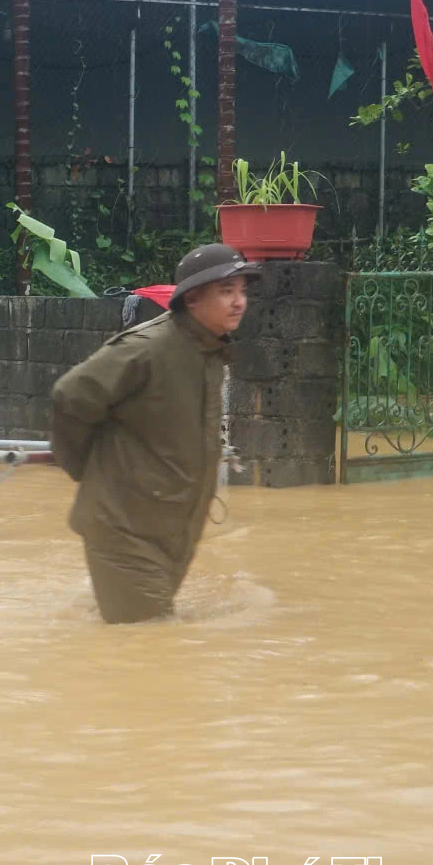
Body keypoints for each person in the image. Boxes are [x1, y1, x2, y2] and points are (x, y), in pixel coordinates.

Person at [50, 244, 261, 625]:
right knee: (152, 638)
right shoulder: (147, 348)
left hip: (170, 534)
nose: (239, 302)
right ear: (192, 299)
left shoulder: (209, 351)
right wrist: (84, 471)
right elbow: (71, 395)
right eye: (226, 291)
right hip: (125, 533)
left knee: (140, 636)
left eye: (242, 291)